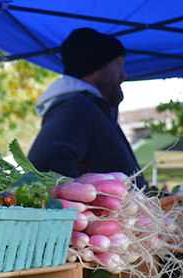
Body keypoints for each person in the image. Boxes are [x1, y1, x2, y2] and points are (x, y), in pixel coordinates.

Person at [28, 28, 147, 190]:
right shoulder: (75, 106)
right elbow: (44, 162)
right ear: (95, 64)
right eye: (118, 63)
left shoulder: (91, 107)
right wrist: (91, 205)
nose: (124, 74)